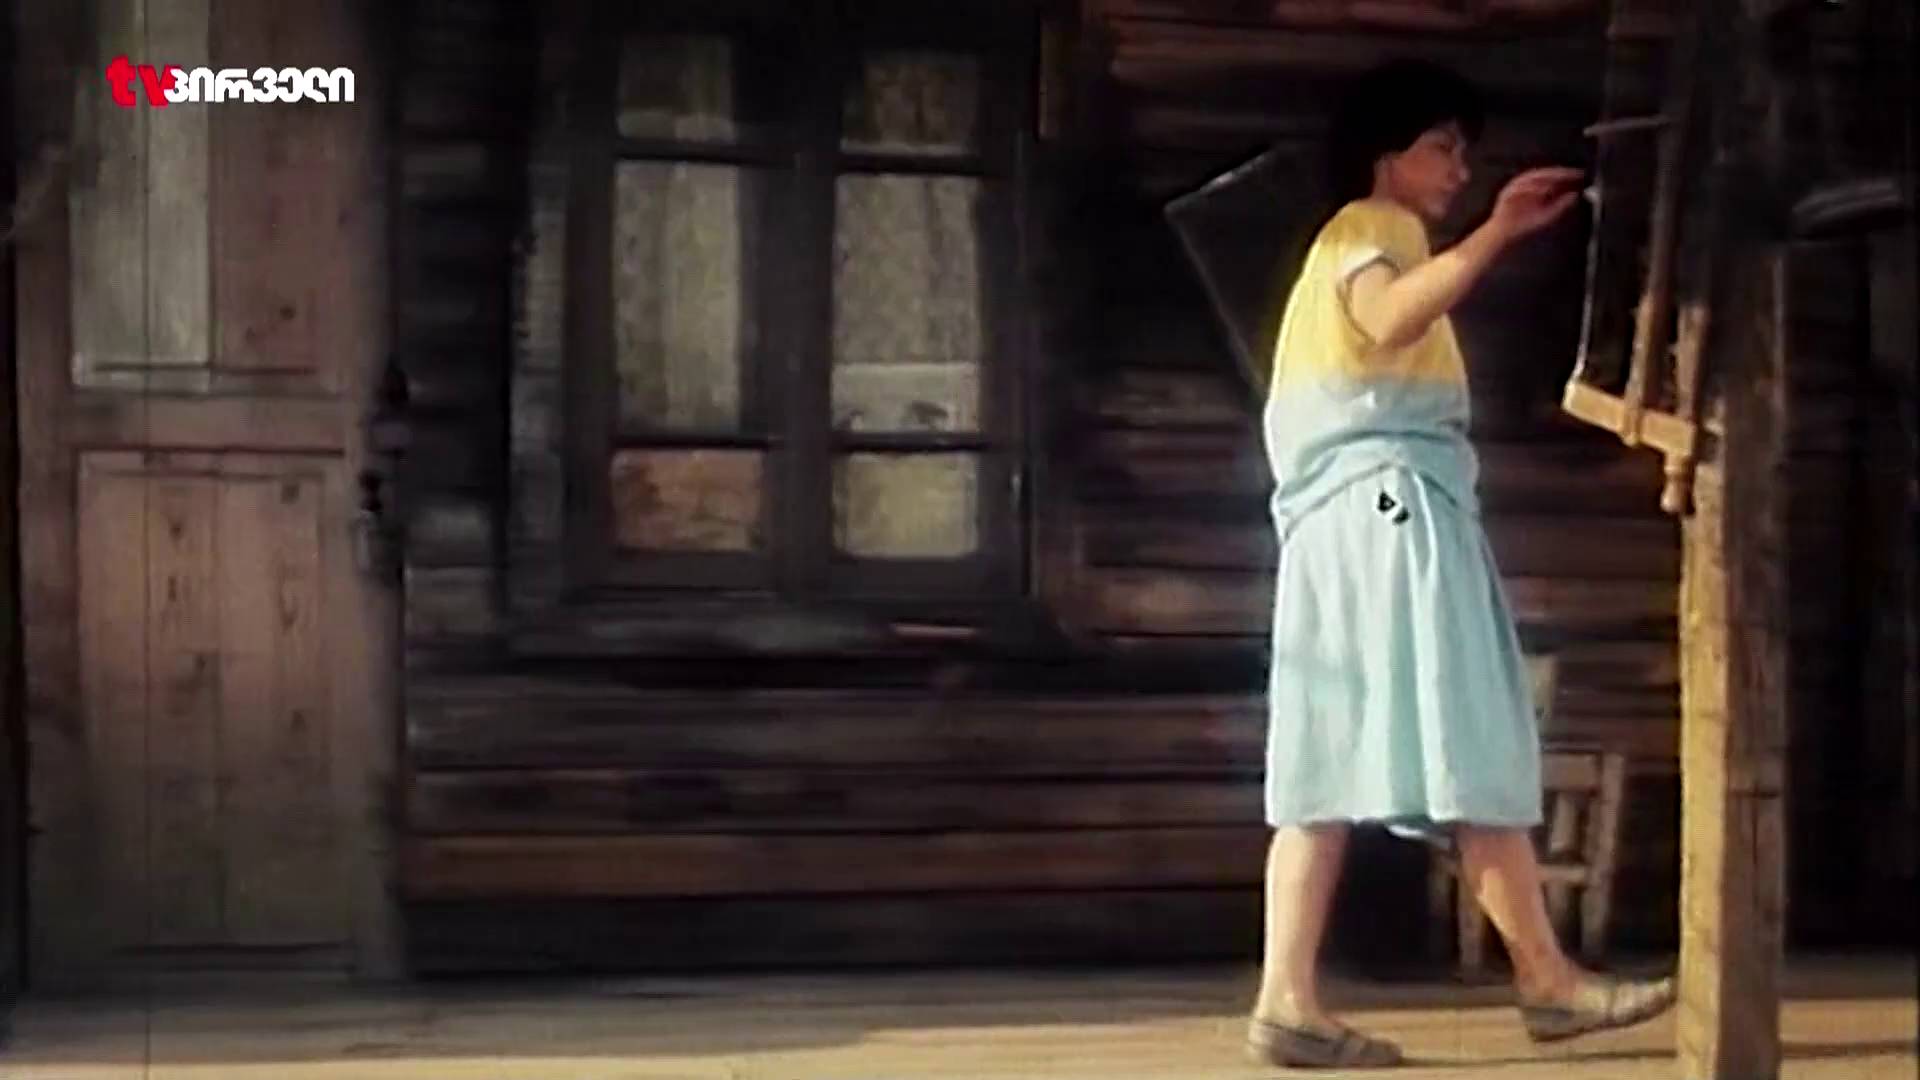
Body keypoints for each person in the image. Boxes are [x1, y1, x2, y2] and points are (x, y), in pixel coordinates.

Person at [1245, 59, 1677, 1069]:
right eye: (1441, 146)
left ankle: (1287, 999)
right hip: (1385, 500)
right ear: (1386, 156)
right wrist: (1498, 231)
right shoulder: (1372, 226)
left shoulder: (1360, 242)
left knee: (1327, 756)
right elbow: (1388, 315)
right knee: (1467, 714)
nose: (1459, 167)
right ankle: (1548, 981)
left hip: (1340, 519)